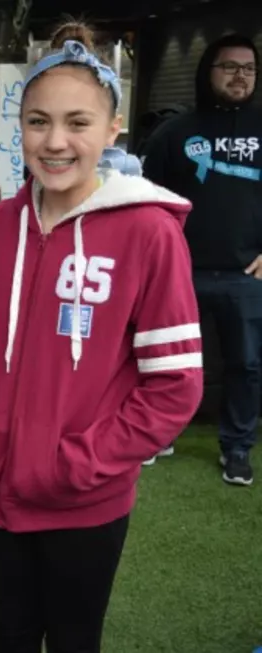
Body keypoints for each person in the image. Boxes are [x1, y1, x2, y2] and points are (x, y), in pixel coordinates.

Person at [0, 23, 203, 653]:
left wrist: (78, 464)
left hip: (84, 500)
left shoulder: (148, 231)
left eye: (77, 122)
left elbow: (174, 386)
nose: (55, 141)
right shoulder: (0, 223)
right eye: (37, 121)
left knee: (73, 640)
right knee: (10, 633)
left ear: (113, 130)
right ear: (20, 127)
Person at [141, 33, 261, 485]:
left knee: (245, 365)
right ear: (208, 71)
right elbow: (145, 198)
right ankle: (161, 434)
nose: (240, 76)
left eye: (248, 68)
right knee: (167, 359)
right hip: (181, 271)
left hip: (245, 275)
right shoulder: (174, 132)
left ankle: (236, 449)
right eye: (229, 67)